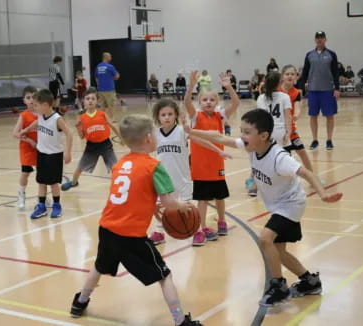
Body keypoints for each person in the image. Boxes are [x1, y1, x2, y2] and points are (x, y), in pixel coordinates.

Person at [183, 108, 342, 307]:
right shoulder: (253, 146)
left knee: (265, 240)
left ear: (264, 136)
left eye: (247, 132)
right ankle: (310, 281)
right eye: (241, 131)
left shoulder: (279, 157)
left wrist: (323, 193)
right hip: (279, 206)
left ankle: (278, 287)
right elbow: (219, 137)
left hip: (291, 205)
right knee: (278, 252)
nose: (242, 136)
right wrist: (192, 131)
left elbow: (307, 174)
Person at [69, 114, 203, 326]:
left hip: (107, 228)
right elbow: (169, 202)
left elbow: (131, 197)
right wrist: (183, 206)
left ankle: (80, 302)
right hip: (131, 236)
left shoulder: (120, 165)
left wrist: (152, 210)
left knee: (100, 266)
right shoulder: (154, 166)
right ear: (149, 138)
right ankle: (180, 321)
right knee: (164, 275)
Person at [148, 99, 231, 245]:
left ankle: (198, 231)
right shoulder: (155, 134)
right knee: (160, 207)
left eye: (170, 114)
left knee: (189, 208)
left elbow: (201, 141)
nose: (166, 117)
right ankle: (160, 231)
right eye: (163, 115)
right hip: (163, 179)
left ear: (176, 116)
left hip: (183, 178)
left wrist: (218, 150)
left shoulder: (181, 131)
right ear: (158, 117)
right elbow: (147, 151)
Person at [185, 70, 240, 246]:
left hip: (217, 162)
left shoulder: (220, 115)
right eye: (204, 100)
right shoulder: (196, 116)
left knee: (220, 196)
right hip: (200, 165)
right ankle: (200, 229)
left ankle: (221, 222)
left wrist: (229, 87)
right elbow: (186, 101)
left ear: (217, 102)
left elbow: (236, 102)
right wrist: (191, 86)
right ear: (199, 102)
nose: (208, 102)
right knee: (202, 198)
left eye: (212, 99)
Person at [19, 89, 73, 219]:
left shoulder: (57, 119)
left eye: (36, 105)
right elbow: (37, 123)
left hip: (54, 155)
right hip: (42, 154)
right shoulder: (40, 116)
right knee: (41, 182)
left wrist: (68, 152)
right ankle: (42, 206)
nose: (34, 107)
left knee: (54, 183)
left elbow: (69, 133)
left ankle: (56, 205)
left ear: (45, 105)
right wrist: (26, 129)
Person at [61, 87, 122, 191]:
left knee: (115, 167)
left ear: (97, 101)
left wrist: (122, 138)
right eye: (87, 98)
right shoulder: (82, 118)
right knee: (79, 167)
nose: (90, 101)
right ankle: (74, 182)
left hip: (105, 145)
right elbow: (81, 137)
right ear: (83, 101)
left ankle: (121, 184)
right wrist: (78, 127)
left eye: (93, 99)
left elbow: (113, 126)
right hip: (91, 146)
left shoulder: (102, 114)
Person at [298, 31, 340, 151]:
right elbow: (305, 72)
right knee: (313, 116)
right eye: (317, 38)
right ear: (315, 40)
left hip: (327, 90)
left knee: (329, 116)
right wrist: (301, 88)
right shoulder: (309, 55)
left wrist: (337, 88)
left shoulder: (331, 54)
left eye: (322, 38)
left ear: (325, 39)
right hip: (313, 90)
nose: (319, 40)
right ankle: (315, 140)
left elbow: (336, 72)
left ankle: (329, 140)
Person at [12, 86, 38, 210]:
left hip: (41, 148)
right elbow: (15, 133)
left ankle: (42, 197)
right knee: (25, 173)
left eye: (33, 97)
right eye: (28, 98)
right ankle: (21, 195)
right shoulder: (24, 116)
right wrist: (28, 140)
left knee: (42, 175)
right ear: (24, 100)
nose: (31, 100)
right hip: (27, 148)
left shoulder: (43, 114)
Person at [95, 52, 120, 120]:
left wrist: (99, 86)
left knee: (102, 106)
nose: (111, 58)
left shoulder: (98, 66)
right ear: (106, 57)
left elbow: (96, 78)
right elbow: (117, 76)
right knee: (111, 105)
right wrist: (112, 78)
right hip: (109, 90)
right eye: (110, 56)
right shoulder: (110, 66)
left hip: (100, 90)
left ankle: (102, 119)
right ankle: (111, 119)